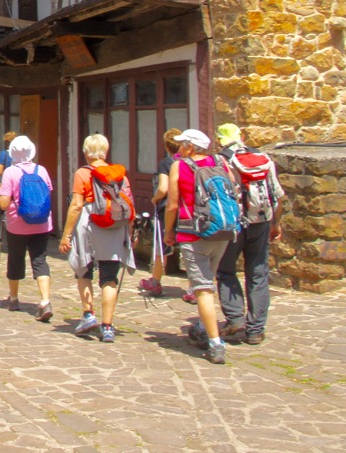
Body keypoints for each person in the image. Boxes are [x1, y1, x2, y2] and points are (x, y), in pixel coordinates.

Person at [164, 128, 235, 364]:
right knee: (208, 279)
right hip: (222, 230)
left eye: (184, 144)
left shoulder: (180, 166)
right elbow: (233, 191)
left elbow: (173, 204)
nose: (181, 148)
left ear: (191, 147)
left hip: (193, 232)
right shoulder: (221, 162)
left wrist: (168, 231)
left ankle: (215, 343)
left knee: (202, 288)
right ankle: (204, 327)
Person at [59, 133, 135, 344]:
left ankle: (88, 314)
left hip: (88, 223)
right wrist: (130, 232)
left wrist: (66, 235)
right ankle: (108, 326)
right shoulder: (120, 175)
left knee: (83, 270)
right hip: (114, 226)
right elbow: (129, 205)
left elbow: (76, 205)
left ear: (86, 152)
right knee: (109, 277)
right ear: (106, 151)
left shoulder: (83, 174)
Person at [215, 123, 285, 346]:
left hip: (234, 223)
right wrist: (276, 223)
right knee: (258, 272)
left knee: (226, 270)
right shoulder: (263, 157)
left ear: (219, 141)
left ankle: (235, 318)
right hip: (261, 220)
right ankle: (255, 330)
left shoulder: (219, 160)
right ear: (242, 136)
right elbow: (278, 195)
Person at [0, 134, 54, 320]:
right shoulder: (41, 170)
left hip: (17, 224)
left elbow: (4, 204)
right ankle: (45, 300)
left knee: (16, 259)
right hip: (42, 223)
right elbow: (48, 193)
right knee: (40, 260)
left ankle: (14, 298)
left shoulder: (10, 172)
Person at [139, 128, 183, 299]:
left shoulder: (168, 163)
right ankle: (195, 288)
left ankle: (155, 282)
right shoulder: (189, 162)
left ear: (167, 146)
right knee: (189, 247)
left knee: (162, 246)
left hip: (168, 208)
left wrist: (155, 199)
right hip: (188, 209)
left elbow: (163, 188)